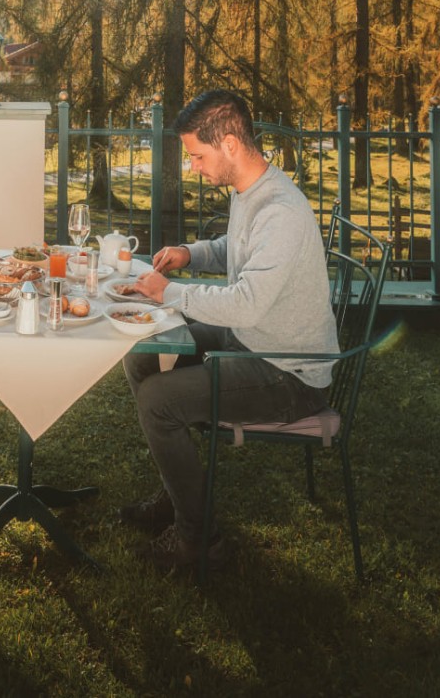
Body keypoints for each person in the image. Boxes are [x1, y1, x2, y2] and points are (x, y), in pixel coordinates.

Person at [120, 89, 338, 572]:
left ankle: (198, 540)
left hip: (287, 372)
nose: (193, 166)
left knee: (158, 402)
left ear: (231, 145)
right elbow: (235, 249)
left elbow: (246, 303)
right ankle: (180, 493)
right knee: (143, 353)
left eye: (198, 155)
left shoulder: (280, 211)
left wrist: (169, 292)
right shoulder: (252, 191)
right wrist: (191, 254)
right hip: (252, 341)